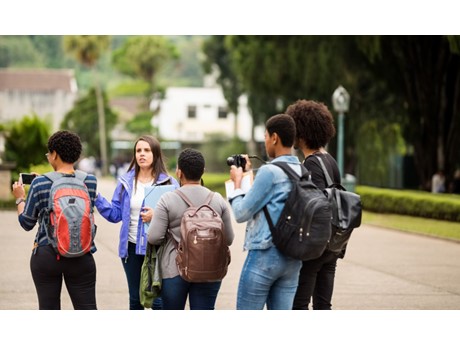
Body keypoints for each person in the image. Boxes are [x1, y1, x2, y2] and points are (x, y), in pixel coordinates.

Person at [11, 130, 98, 310]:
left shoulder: (39, 183)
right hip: (82, 253)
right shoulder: (90, 181)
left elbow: (26, 223)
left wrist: (20, 198)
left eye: (49, 153)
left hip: (47, 255)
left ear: (55, 154)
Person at [95, 135, 179, 310]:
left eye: (147, 150)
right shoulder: (125, 182)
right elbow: (115, 214)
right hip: (131, 248)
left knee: (158, 301)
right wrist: (96, 197)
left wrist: (158, 215)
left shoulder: (169, 183)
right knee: (135, 300)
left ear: (155, 154)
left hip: (159, 248)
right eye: (138, 150)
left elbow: (180, 216)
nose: (142, 154)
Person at [228, 113, 303, 310]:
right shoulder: (303, 170)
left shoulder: (270, 172)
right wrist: (249, 175)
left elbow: (241, 213)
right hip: (293, 258)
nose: (266, 142)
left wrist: (237, 183)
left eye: (266, 137)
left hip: (265, 255)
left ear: (275, 138)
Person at [148, 148, 234, 310]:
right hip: (210, 269)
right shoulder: (217, 200)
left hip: (174, 269)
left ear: (179, 173)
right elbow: (228, 239)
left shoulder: (167, 200)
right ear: (203, 172)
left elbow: (153, 237)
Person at [285, 99, 342, 310]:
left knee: (298, 305)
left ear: (301, 132)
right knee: (323, 306)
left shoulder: (311, 164)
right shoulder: (330, 160)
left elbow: (315, 205)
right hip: (333, 244)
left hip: (316, 246)